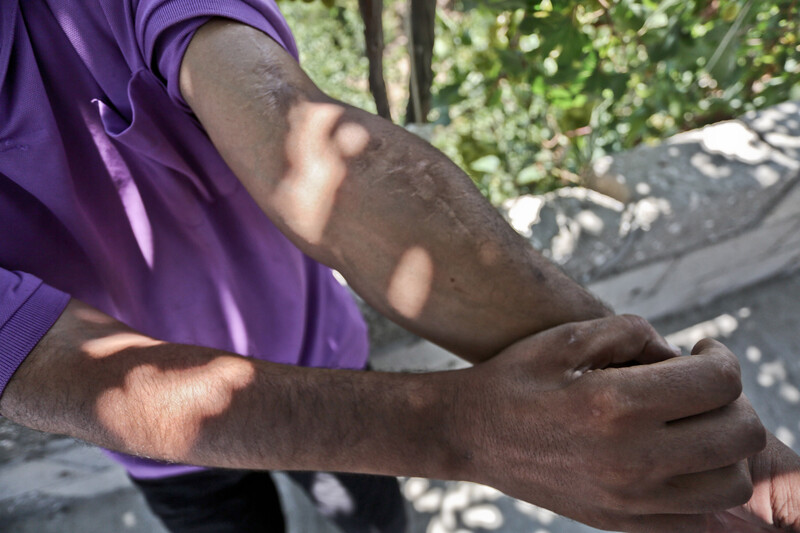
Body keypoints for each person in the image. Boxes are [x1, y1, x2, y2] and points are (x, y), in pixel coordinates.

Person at [0, 1, 796, 532]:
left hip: (319, 359)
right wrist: (465, 430)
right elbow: (49, 365)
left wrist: (667, 418)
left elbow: (309, 150)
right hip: (164, 449)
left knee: (374, 523)